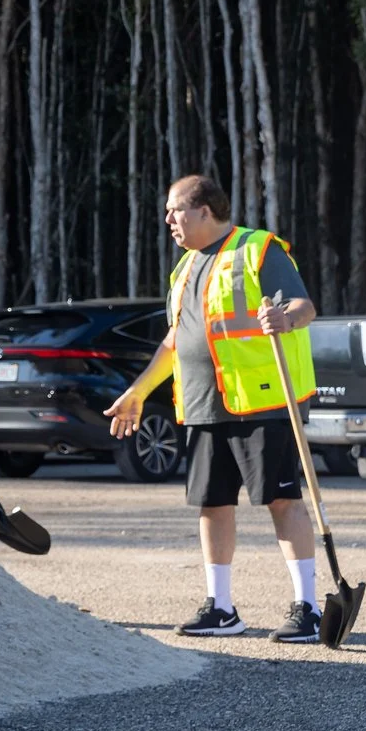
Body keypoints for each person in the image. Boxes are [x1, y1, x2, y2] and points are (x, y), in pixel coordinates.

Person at [105, 174, 324, 645]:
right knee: (212, 503)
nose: (168, 220)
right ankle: (221, 607)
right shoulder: (184, 268)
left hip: (261, 399)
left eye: (176, 209)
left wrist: (286, 318)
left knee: (281, 500)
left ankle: (308, 607)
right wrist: (140, 391)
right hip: (205, 404)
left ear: (205, 210)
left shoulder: (258, 250)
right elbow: (173, 341)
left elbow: (305, 306)